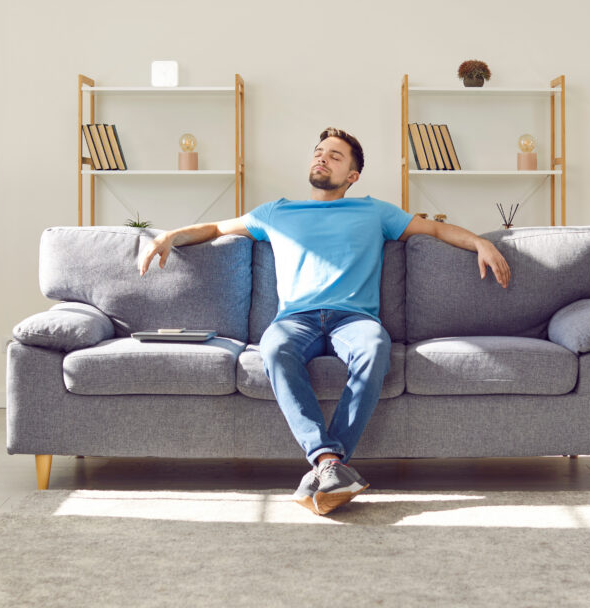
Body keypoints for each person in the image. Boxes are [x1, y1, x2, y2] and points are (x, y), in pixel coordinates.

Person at [138, 127, 511, 515]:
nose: (322, 158)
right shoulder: (276, 212)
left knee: (375, 347)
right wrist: (170, 236)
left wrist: (480, 242)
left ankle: (324, 464)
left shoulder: (375, 212)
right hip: (295, 320)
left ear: (353, 175)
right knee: (274, 349)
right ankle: (330, 463)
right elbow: (217, 228)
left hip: (354, 319)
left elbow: (433, 228)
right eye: (319, 152)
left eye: (335, 156)